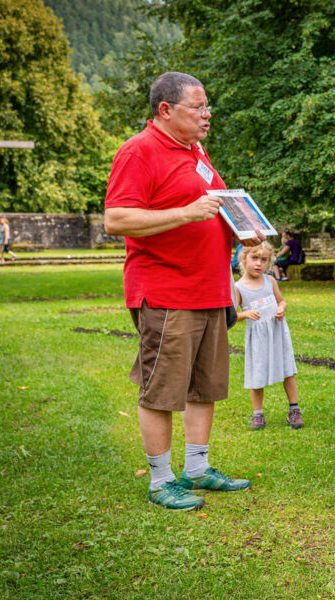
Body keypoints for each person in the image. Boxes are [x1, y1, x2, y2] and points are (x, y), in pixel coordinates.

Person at [104, 71, 261, 510]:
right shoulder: (139, 151)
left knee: (203, 387)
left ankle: (197, 468)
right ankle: (160, 480)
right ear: (166, 110)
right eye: (198, 107)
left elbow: (208, 211)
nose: (208, 114)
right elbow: (116, 219)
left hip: (210, 289)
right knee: (162, 389)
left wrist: (241, 231)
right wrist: (187, 211)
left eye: (208, 106)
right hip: (167, 290)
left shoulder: (196, 151)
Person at [234, 241, 301, 430]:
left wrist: (281, 308)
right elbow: (232, 315)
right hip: (258, 337)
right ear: (244, 258)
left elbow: (282, 301)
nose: (258, 263)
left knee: (288, 369)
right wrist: (245, 314)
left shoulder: (269, 281)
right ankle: (258, 413)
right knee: (258, 372)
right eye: (254, 258)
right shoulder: (239, 287)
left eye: (264, 260)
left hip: (277, 332)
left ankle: (294, 409)